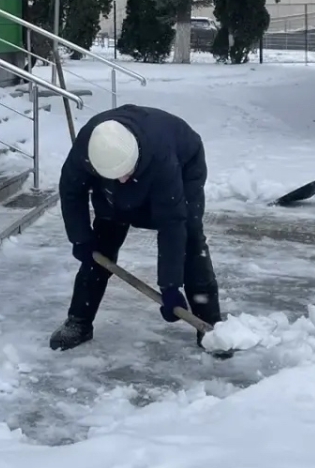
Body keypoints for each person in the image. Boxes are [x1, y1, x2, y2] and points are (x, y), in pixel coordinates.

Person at [50, 104, 221, 351]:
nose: (122, 179)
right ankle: (79, 321)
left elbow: (173, 224)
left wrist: (169, 286)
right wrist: (80, 238)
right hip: (114, 185)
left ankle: (210, 326)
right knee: (103, 240)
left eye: (125, 173)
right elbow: (71, 191)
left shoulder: (162, 158)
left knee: (190, 239)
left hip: (183, 165)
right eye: (115, 175)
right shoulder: (87, 149)